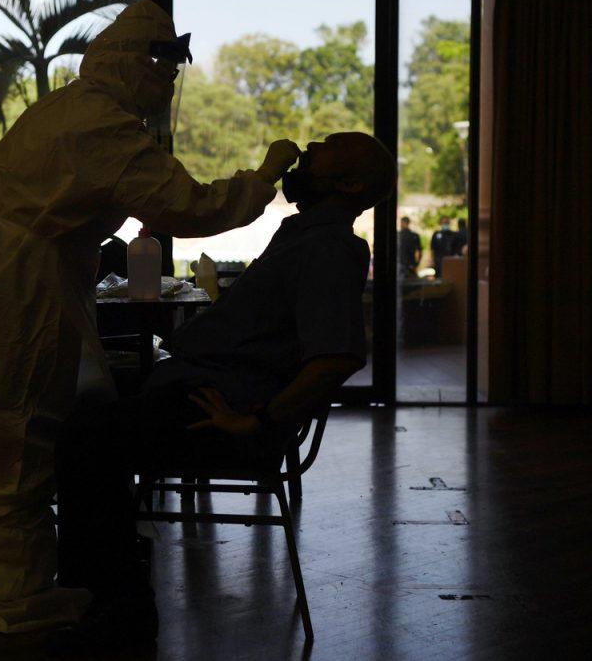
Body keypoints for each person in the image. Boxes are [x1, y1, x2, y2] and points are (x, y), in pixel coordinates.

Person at [0, 0, 301, 633]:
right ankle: (21, 593)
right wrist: (264, 177)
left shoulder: (64, 106)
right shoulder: (107, 128)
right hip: (24, 274)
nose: (167, 81)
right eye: (162, 68)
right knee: (21, 421)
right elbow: (189, 209)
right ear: (134, 65)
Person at [50, 131, 396, 655]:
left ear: (348, 182)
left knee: (87, 436)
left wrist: (260, 421)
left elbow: (338, 355)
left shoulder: (327, 246)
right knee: (92, 414)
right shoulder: (306, 236)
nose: (306, 150)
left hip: (221, 409)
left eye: (323, 146)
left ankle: (117, 604)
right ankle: (110, 580)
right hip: (208, 388)